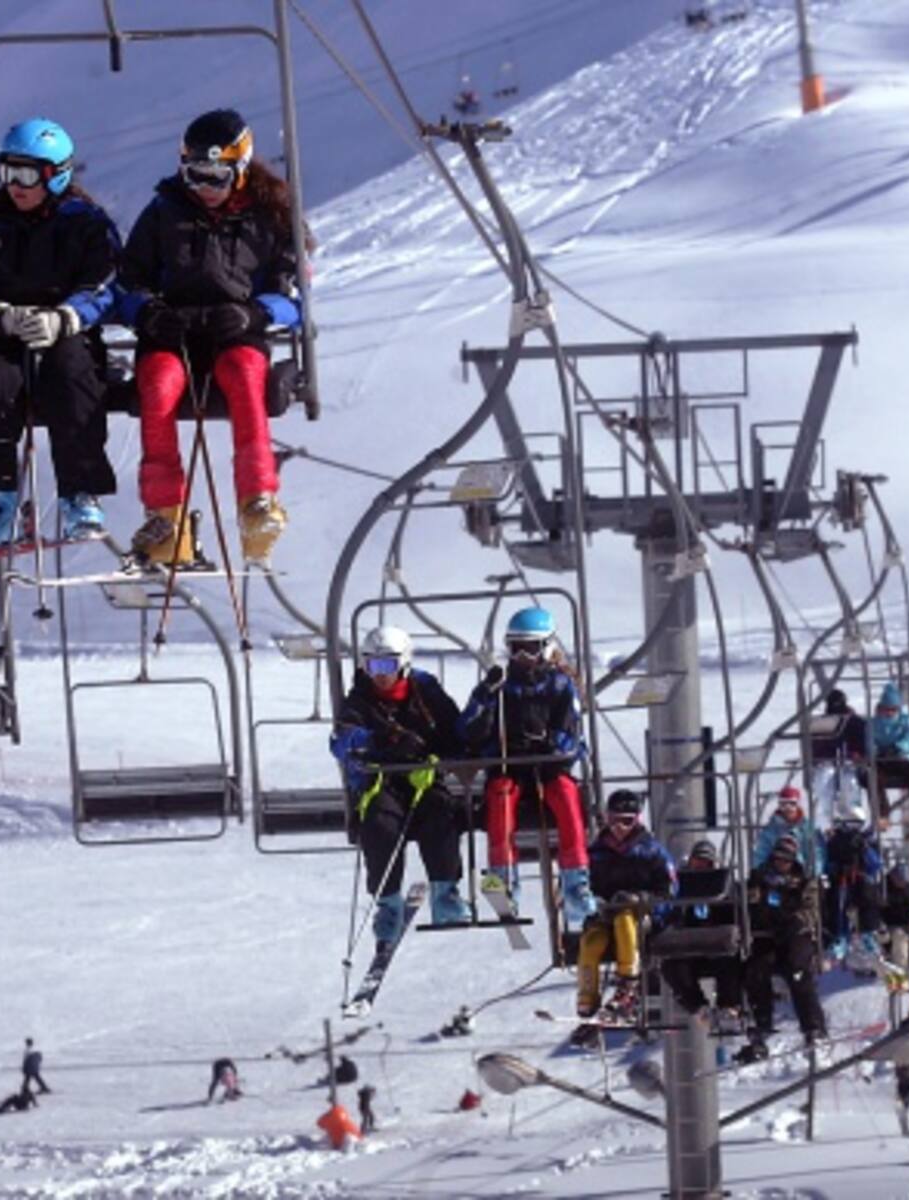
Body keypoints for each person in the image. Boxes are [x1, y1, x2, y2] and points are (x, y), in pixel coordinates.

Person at [119, 108, 306, 566]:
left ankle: (257, 501)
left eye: (216, 177)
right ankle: (166, 516)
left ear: (240, 171)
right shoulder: (163, 213)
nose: (204, 189)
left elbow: (295, 296)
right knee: (158, 386)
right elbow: (126, 284)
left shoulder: (270, 218)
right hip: (174, 335)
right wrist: (147, 312)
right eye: (194, 175)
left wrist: (257, 315)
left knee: (244, 377)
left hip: (235, 332)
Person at [0, 117, 118, 555]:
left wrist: (65, 318)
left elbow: (105, 286)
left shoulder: (87, 225)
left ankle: (79, 492)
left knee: (73, 378)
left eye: (27, 175)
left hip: (65, 332)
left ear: (56, 174)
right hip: (4, 333)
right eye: (8, 172)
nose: (15, 186)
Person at [331, 625, 470, 947]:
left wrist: (436, 755)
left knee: (443, 814)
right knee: (379, 825)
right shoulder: (360, 699)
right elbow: (341, 741)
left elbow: (454, 732)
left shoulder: (425, 692)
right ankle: (388, 904)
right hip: (384, 783)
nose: (379, 675)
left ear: (404, 663)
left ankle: (445, 894)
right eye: (372, 666)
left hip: (424, 779)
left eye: (387, 666)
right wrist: (381, 739)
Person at [457, 607, 595, 925]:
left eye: (530, 648)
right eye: (514, 647)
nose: (521, 656)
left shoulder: (561, 685)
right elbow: (467, 731)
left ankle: (576, 882)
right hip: (510, 768)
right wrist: (483, 697)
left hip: (549, 767)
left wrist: (551, 747)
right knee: (500, 795)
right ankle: (503, 882)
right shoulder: (500, 686)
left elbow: (571, 731)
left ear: (546, 647)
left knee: (566, 793)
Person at [575, 791, 676, 1022]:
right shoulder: (596, 852)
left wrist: (642, 899)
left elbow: (669, 889)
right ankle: (587, 997)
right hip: (605, 914)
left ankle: (627, 988)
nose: (619, 827)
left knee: (624, 920)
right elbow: (581, 884)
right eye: (613, 820)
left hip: (641, 915)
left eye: (627, 821)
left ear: (637, 820)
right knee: (591, 941)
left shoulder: (651, 851)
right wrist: (591, 901)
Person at [741, 833, 827, 1059]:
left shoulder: (804, 881)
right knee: (756, 969)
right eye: (778, 858)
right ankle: (762, 1024)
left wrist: (792, 916)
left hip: (793, 935)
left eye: (787, 860)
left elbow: (810, 911)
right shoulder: (759, 878)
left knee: (798, 971)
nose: (782, 864)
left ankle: (813, 1027)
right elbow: (751, 905)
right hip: (766, 935)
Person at [659, 839, 744, 1018]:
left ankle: (728, 1006)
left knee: (730, 958)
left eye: (707, 863)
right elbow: (670, 913)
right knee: (672, 966)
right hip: (689, 948)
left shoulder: (723, 887)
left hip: (716, 946)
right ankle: (698, 1007)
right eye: (697, 862)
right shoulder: (679, 886)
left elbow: (734, 916)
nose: (701, 867)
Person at [868, 682, 909, 836]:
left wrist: (899, 747)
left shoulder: (905, 721)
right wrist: (876, 751)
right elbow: (868, 741)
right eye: (886, 710)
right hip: (881, 760)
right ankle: (882, 815)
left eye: (893, 710)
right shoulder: (872, 724)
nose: (889, 713)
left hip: (901, 758)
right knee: (873, 777)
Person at [822, 798, 883, 965]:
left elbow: (876, 864)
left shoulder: (866, 840)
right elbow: (826, 862)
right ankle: (840, 937)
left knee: (868, 898)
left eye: (858, 824)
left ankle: (868, 934)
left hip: (861, 878)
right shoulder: (835, 841)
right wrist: (834, 868)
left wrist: (865, 849)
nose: (854, 829)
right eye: (851, 824)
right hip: (842, 878)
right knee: (838, 902)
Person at [752, 785, 824, 876]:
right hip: (775, 875)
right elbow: (760, 854)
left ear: (798, 805)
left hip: (801, 874)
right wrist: (758, 873)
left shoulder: (808, 829)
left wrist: (813, 875)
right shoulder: (771, 830)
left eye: (792, 804)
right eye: (783, 804)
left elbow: (817, 855)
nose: (788, 808)